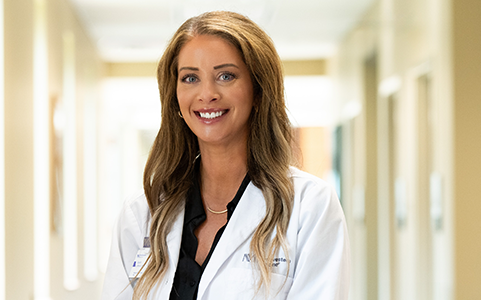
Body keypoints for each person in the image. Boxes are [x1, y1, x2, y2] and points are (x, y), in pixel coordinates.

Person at [101, 11, 349, 300]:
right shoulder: (143, 213)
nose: (207, 94)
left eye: (226, 76)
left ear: (258, 90)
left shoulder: (309, 206)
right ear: (175, 96)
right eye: (190, 78)